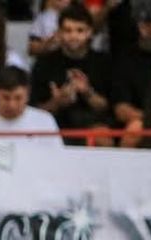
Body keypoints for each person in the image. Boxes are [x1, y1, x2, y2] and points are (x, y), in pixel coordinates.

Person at [29, 2, 113, 145]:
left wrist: (88, 92)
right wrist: (56, 103)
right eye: (68, 30)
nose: (73, 36)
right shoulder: (44, 63)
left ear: (90, 33)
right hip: (52, 128)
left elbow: (110, 107)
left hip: (93, 127)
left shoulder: (104, 63)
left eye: (80, 30)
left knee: (102, 135)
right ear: (59, 32)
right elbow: (33, 110)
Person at [0, 65, 65, 145]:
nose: (12, 105)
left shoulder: (44, 122)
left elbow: (57, 158)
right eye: (6, 98)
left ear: (28, 93)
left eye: (18, 98)